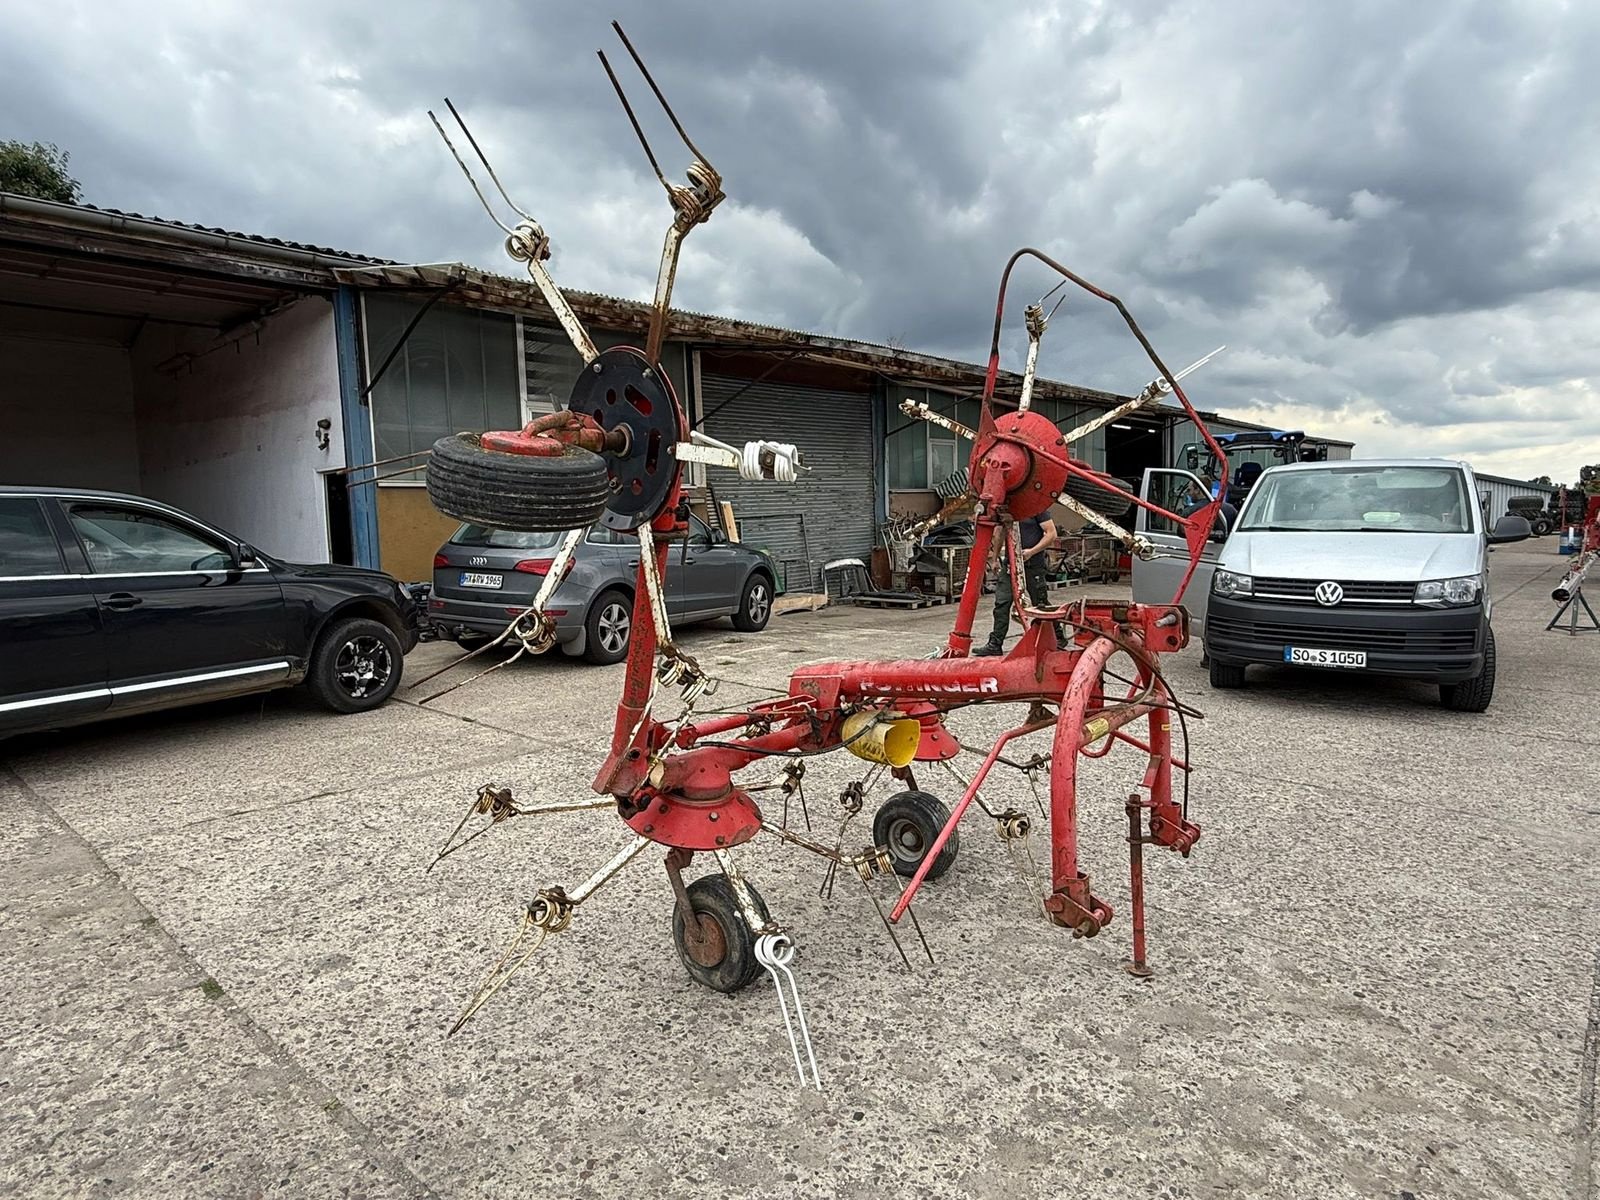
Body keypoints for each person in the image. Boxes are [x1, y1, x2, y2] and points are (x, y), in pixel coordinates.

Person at [973, 512, 1061, 656]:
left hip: (1033, 564)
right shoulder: (1007, 509)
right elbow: (1001, 533)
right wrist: (995, 559)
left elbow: (1051, 533)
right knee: (1002, 602)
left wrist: (1032, 552)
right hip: (1010, 564)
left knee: (1040, 602)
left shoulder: (1037, 509)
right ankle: (995, 643)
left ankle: (1058, 636)